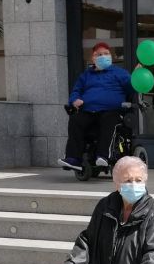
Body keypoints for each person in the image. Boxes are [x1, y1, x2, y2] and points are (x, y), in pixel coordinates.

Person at [57, 42, 133, 172]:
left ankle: (103, 156)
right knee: (76, 120)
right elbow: (76, 91)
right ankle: (73, 159)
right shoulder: (86, 75)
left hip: (111, 111)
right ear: (93, 58)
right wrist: (74, 100)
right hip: (89, 111)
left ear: (111, 56)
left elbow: (132, 89)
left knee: (109, 119)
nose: (103, 56)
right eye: (99, 54)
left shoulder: (120, 73)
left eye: (106, 54)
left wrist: (136, 77)